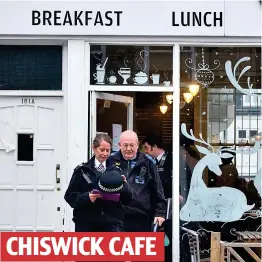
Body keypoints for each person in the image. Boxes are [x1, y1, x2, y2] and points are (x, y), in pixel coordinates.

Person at [64, 133, 132, 232]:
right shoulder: (82, 170)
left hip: (111, 225)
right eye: (102, 150)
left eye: (108, 151)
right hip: (86, 225)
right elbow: (69, 196)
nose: (105, 154)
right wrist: (87, 197)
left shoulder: (116, 171)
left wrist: (125, 186)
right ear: (94, 148)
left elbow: (127, 199)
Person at [108, 130, 167, 232]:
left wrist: (160, 213)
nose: (128, 149)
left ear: (137, 145)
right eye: (125, 145)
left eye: (132, 145)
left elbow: (157, 190)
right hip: (116, 218)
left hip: (141, 218)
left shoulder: (147, 163)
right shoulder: (110, 162)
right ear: (119, 145)